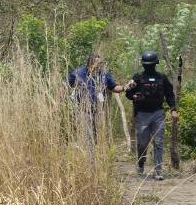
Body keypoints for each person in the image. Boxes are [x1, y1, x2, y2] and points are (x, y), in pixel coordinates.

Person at [124, 51, 178, 180]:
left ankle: (158, 170)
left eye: (151, 64)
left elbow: (170, 94)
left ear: (156, 64)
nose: (149, 67)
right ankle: (141, 162)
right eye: (147, 65)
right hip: (142, 114)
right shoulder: (137, 78)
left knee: (159, 142)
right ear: (143, 65)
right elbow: (128, 93)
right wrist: (134, 96)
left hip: (158, 113)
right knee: (142, 143)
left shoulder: (162, 78)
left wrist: (173, 110)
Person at [68, 55, 125, 141]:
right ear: (91, 64)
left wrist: (125, 88)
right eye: (99, 63)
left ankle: (96, 148)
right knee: (87, 135)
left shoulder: (104, 75)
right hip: (83, 111)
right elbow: (66, 86)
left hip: (99, 111)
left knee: (97, 135)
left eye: (101, 63)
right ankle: (88, 149)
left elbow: (114, 87)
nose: (101, 65)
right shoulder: (78, 74)